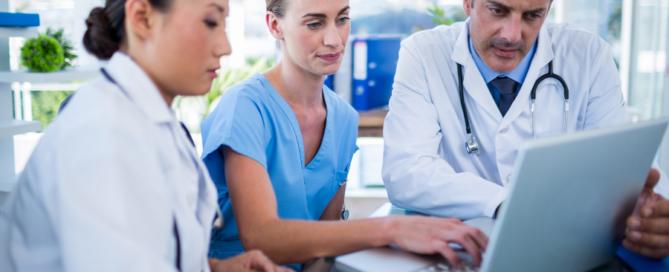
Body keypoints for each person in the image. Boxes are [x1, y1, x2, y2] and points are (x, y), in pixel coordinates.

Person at [0, 0, 291, 271]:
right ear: (142, 19)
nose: (226, 47)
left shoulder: (157, 124)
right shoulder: (99, 133)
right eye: (211, 22)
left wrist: (217, 268)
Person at [200, 0, 488, 270]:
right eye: (315, 24)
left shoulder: (343, 118)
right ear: (275, 26)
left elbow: (325, 245)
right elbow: (261, 237)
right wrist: (389, 229)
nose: (334, 40)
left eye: (342, 19)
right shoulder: (245, 106)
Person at [382, 0, 669, 259]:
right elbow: (406, 170)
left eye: (533, 15)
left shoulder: (589, 55)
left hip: (567, 250)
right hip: (466, 251)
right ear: (468, 3)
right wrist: (509, 204)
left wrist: (650, 214)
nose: (512, 35)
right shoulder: (423, 53)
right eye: (498, 10)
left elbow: (622, 165)